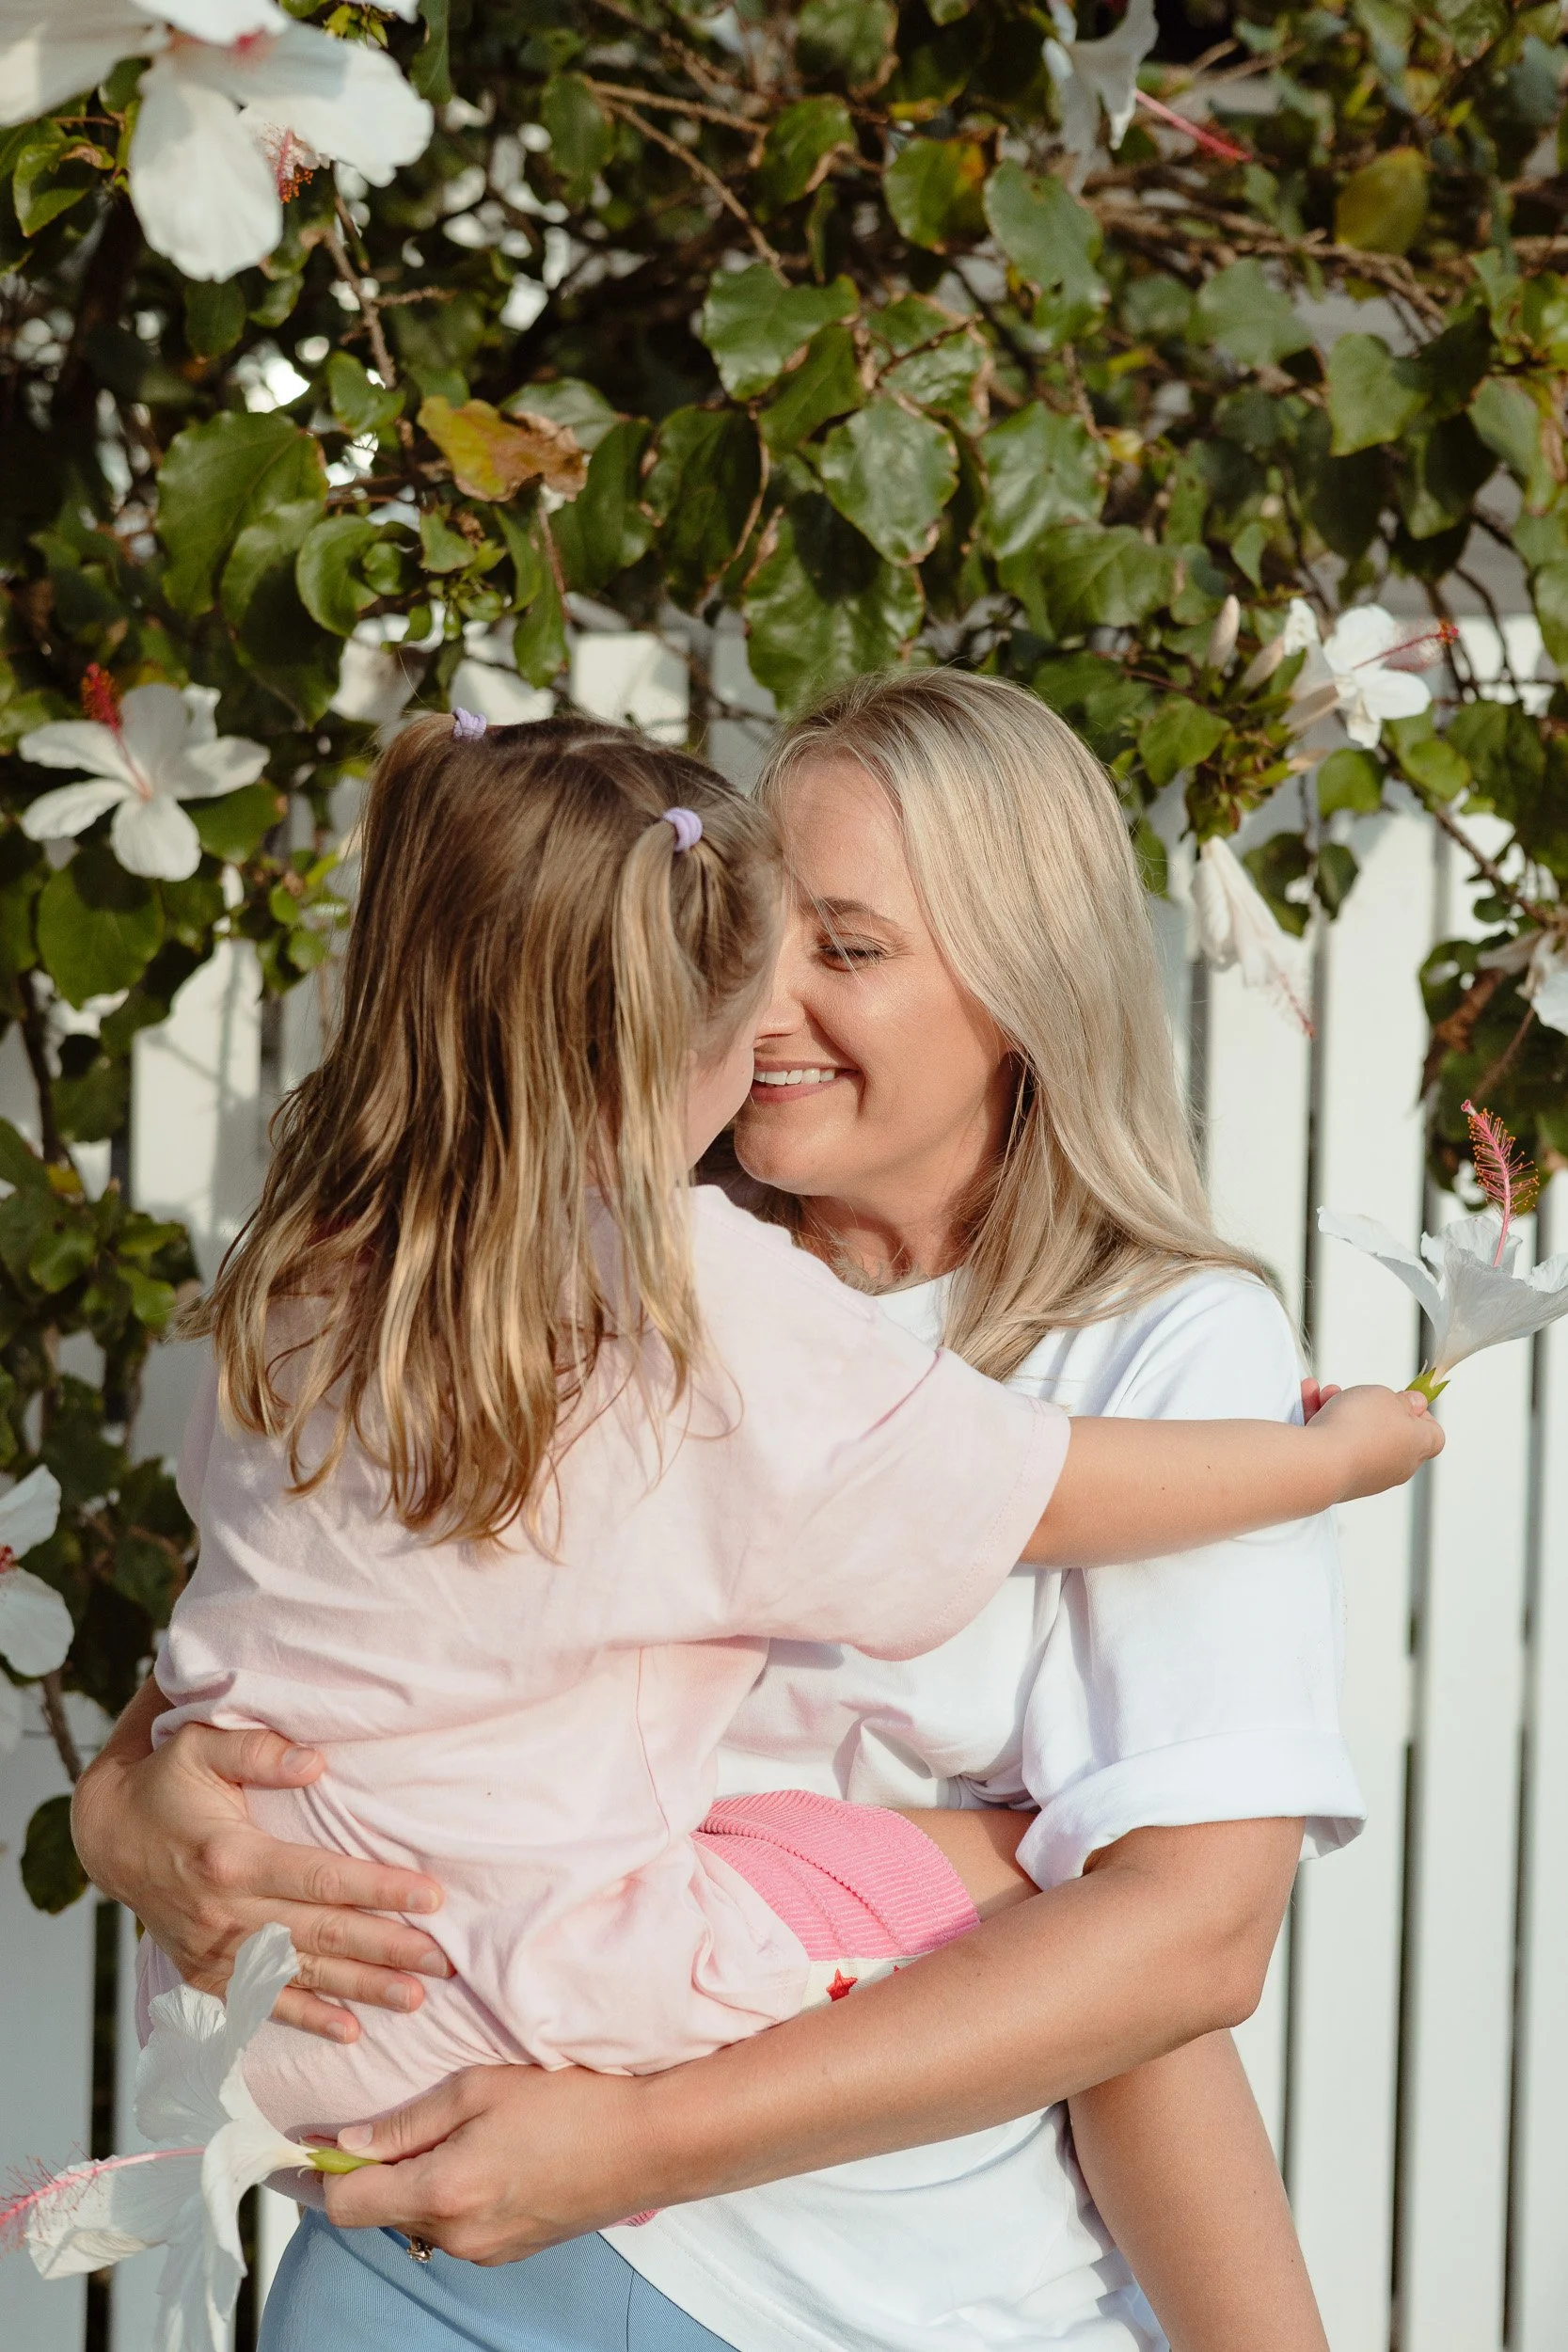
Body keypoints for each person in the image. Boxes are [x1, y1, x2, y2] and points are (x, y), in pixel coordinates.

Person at [75, 676, 1427, 2352]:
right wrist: (119, 1813)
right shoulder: (596, 1261)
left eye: (846, 949)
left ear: (1027, 985)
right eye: (747, 934)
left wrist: (630, 2143)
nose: (767, 1001)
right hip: (445, 2251)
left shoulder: (1158, 1347)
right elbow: (298, 1645)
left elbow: (1184, 1950)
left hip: (880, 2302)